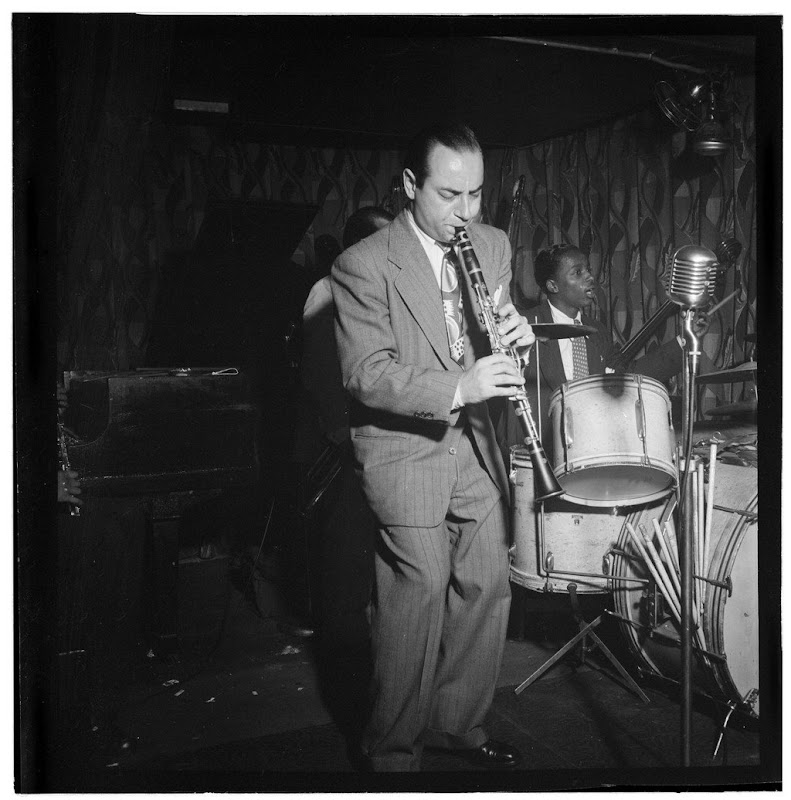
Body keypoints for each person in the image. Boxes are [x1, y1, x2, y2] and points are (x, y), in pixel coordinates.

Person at [331, 122, 534, 772]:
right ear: (410, 185)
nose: (465, 212)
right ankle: (392, 753)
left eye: (475, 194)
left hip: (478, 446)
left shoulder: (492, 244)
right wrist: (460, 385)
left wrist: (517, 337)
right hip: (406, 449)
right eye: (449, 195)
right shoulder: (363, 264)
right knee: (417, 590)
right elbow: (367, 374)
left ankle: (457, 724)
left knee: (486, 583)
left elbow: (493, 330)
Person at [299, 207, 394, 739]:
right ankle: (354, 701)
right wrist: (346, 440)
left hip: (383, 449)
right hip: (344, 453)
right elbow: (320, 373)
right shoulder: (327, 290)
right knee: (345, 576)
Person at [499, 242, 702, 461]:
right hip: (536, 455)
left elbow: (628, 375)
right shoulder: (526, 324)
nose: (590, 277)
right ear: (553, 286)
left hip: (589, 450)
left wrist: (686, 340)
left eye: (588, 269)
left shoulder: (597, 330)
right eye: (577, 272)